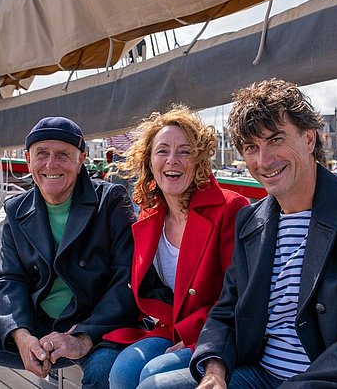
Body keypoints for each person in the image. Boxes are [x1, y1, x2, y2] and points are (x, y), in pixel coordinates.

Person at [142, 79, 337, 388]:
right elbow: (226, 312)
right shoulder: (251, 221)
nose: (264, 161)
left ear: (308, 138)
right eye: (252, 147)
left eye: (276, 140)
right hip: (262, 375)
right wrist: (214, 370)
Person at [0, 117, 140, 389]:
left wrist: (83, 338)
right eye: (42, 154)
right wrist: (21, 335)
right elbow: (9, 280)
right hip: (37, 326)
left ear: (81, 159)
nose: (51, 164)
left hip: (98, 329)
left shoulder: (111, 201)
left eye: (63, 154)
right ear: (28, 160)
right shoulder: (17, 209)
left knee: (106, 372)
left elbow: (127, 280)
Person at [102, 105, 249, 388]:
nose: (173, 160)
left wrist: (195, 334)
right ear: (149, 161)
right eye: (162, 151)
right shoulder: (149, 215)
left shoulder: (230, 208)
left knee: (152, 378)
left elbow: (240, 294)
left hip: (218, 330)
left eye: (185, 151)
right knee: (121, 370)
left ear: (200, 161)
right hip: (171, 326)